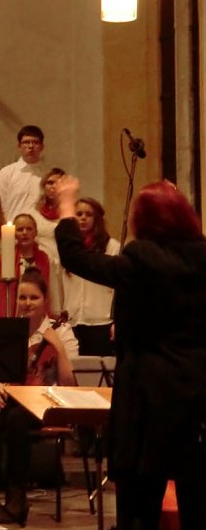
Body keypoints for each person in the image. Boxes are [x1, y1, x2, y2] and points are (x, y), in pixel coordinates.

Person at [55, 175, 206, 529]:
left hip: (147, 396)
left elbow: (77, 259)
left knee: (140, 499)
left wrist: (66, 204)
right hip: (197, 394)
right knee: (197, 495)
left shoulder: (141, 257)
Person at [0, 270, 78, 524]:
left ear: (45, 300)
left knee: (15, 420)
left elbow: (70, 385)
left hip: (48, 402)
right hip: (16, 397)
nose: (27, 303)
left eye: (33, 297)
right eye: (22, 297)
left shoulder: (62, 331)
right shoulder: (11, 330)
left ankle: (16, 498)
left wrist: (58, 348)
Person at [61, 197, 119, 356]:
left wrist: (116, 320)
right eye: (79, 214)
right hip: (73, 320)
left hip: (100, 321)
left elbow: (118, 286)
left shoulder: (111, 246)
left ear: (97, 218)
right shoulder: (69, 249)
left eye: (88, 214)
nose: (83, 218)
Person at [0, 213, 62, 317]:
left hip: (39, 317)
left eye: (29, 229)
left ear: (35, 232)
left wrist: (55, 314)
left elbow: (53, 292)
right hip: (14, 316)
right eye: (20, 230)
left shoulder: (46, 259)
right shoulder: (3, 260)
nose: (25, 233)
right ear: (14, 234)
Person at [0, 124, 47, 220]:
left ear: (42, 146)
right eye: (26, 142)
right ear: (19, 146)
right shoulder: (6, 173)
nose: (31, 146)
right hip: (12, 230)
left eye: (35, 142)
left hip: (40, 231)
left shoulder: (47, 176)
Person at [27, 167, 65, 259]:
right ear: (43, 186)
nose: (54, 186)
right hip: (40, 262)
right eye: (50, 183)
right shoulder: (33, 213)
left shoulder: (70, 213)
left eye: (59, 183)